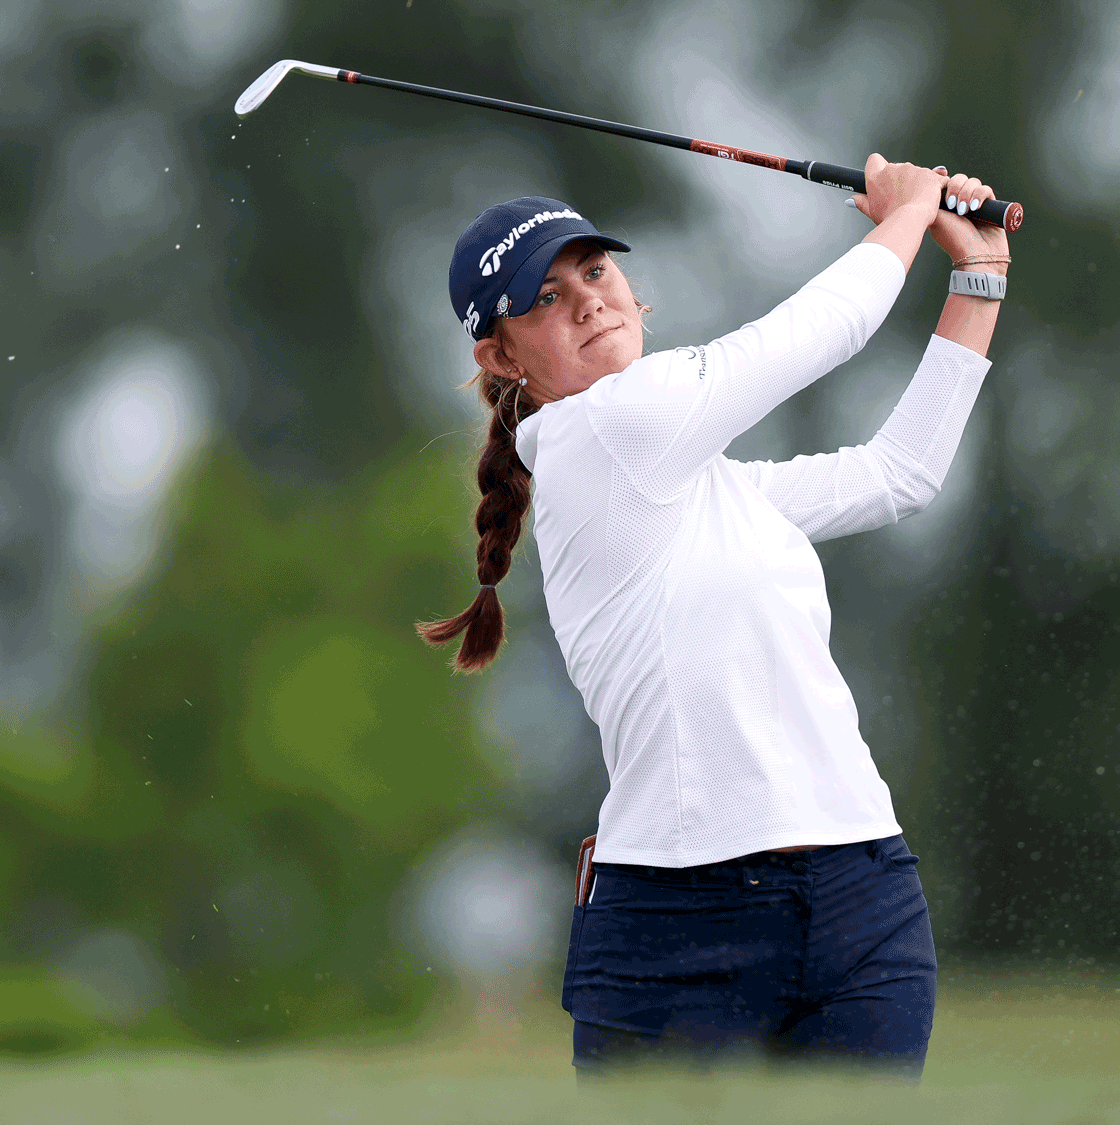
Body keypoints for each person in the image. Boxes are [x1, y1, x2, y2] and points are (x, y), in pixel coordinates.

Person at [418, 154, 1010, 1081]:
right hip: (678, 923)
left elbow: (902, 473)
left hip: (862, 895)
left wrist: (979, 277)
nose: (586, 301)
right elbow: (818, 332)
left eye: (595, 270)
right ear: (501, 358)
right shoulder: (596, 436)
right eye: (542, 298)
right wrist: (904, 216)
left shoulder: (708, 487)